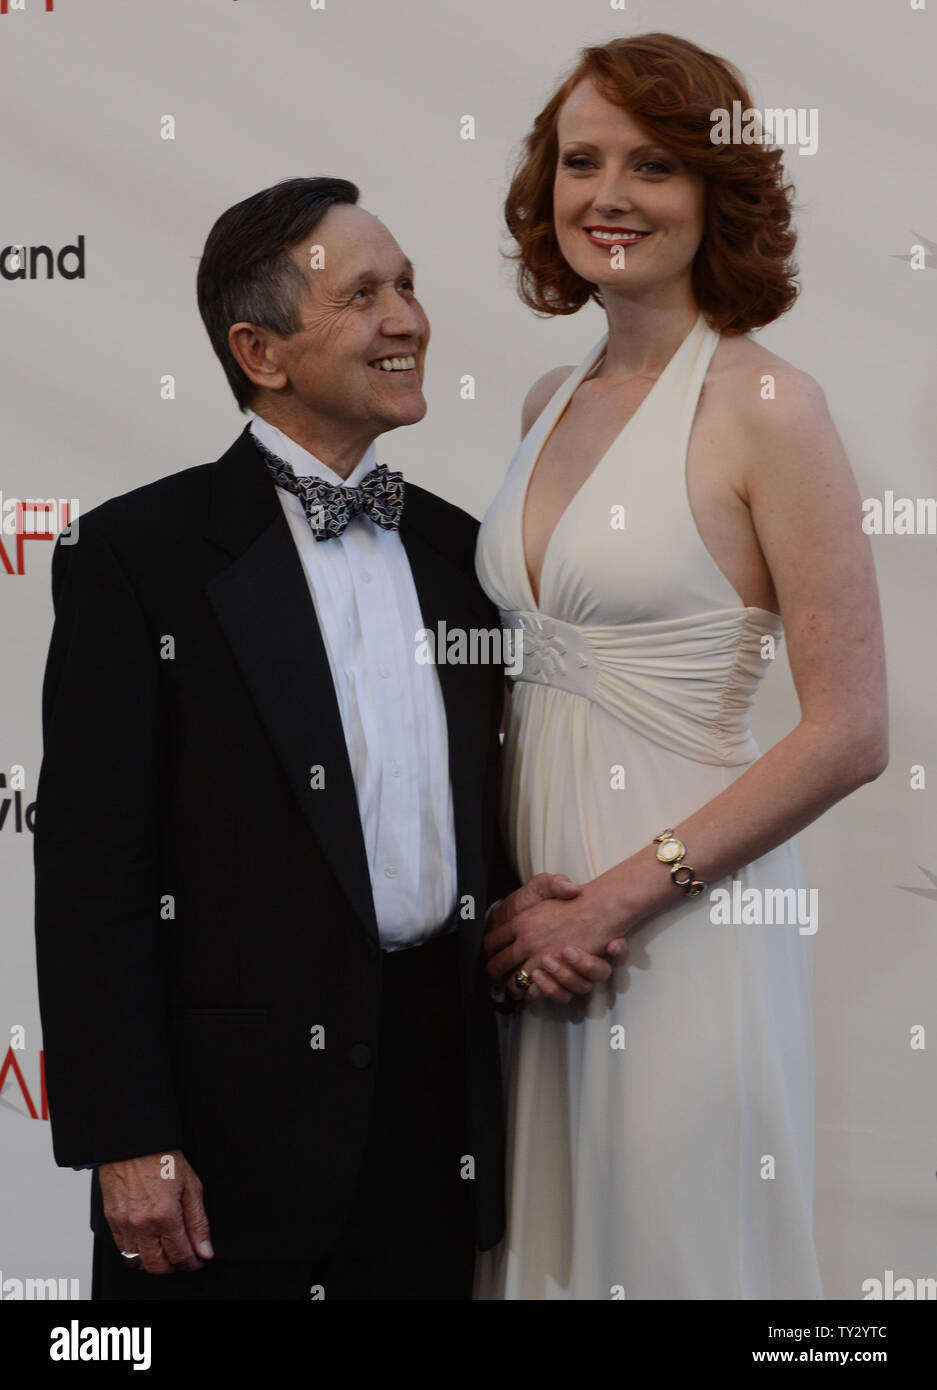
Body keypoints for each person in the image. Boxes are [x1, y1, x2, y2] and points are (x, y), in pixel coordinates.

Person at [32, 176, 610, 1301]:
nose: (406, 320)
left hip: (435, 1127)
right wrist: (125, 1137)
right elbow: (93, 875)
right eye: (361, 297)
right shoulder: (137, 556)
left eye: (406, 286)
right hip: (215, 1155)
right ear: (261, 349)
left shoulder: (464, 555)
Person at [475, 34, 888, 1299]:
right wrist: (545, 910)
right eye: (580, 160)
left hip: (677, 933)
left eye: (652, 163)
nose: (608, 194)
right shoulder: (547, 393)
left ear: (715, 189)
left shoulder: (770, 404)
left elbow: (850, 729)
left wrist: (617, 900)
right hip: (535, 931)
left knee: (678, 1257)